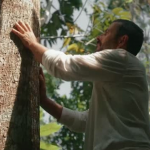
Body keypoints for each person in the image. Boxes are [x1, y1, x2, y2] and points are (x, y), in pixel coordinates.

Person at [12, 19, 150, 150]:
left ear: (122, 41)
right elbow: (84, 121)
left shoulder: (123, 58)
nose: (99, 38)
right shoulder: (121, 76)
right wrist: (44, 101)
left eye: (106, 33)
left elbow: (64, 66)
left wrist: (31, 43)